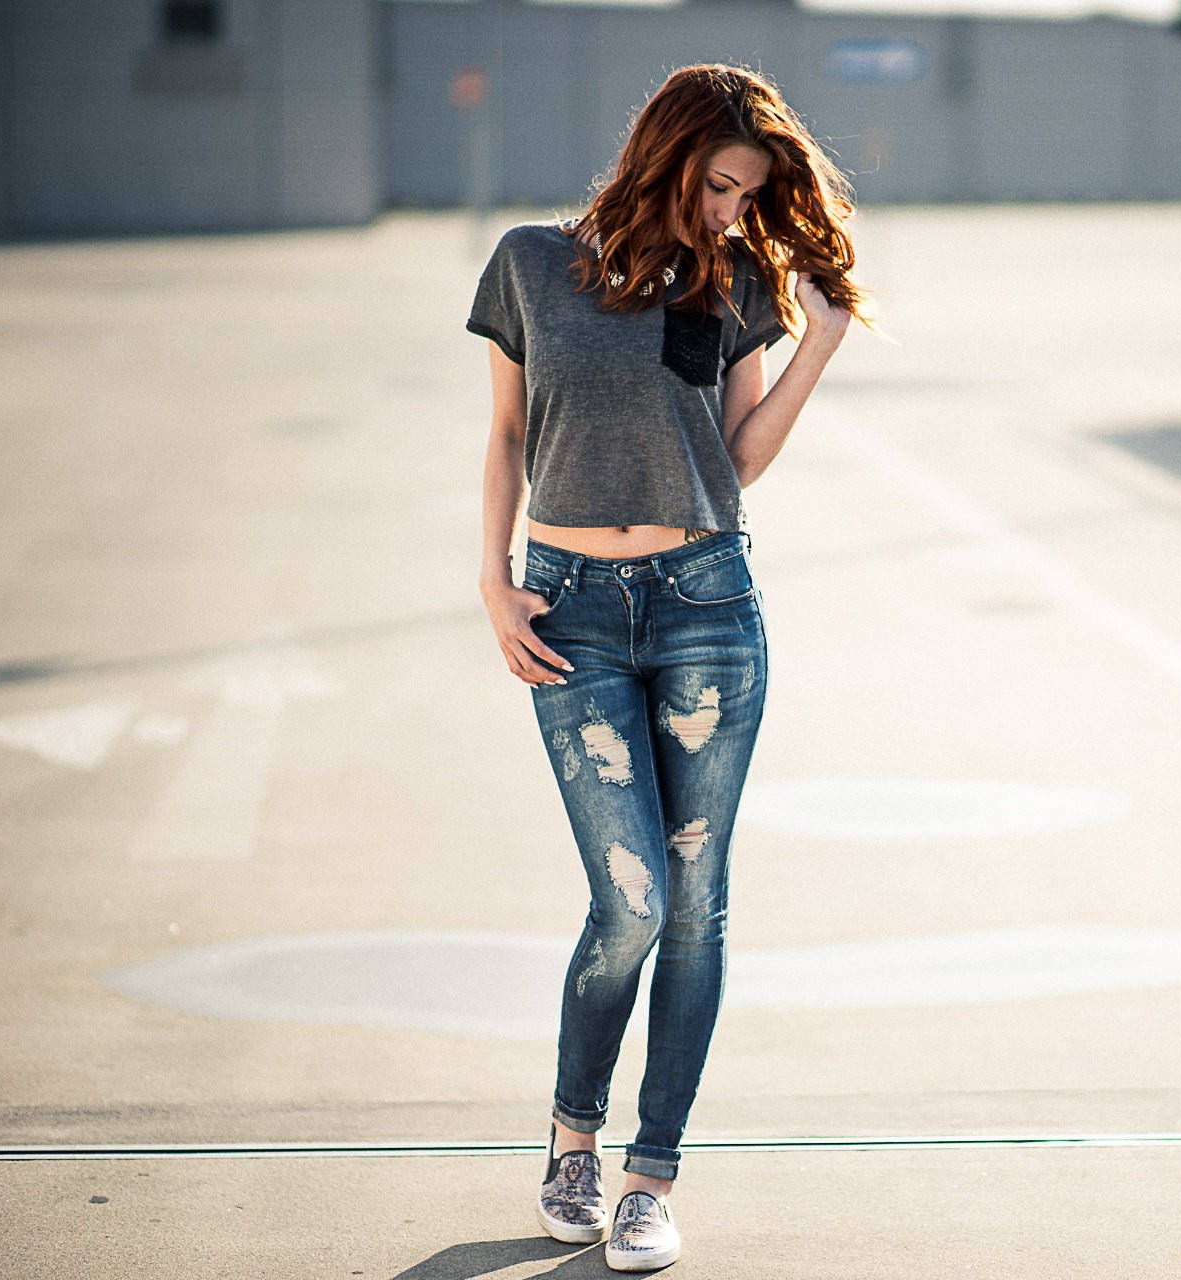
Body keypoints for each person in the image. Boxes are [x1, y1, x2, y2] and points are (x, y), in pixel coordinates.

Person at [466, 63, 872, 1272]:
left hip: (706, 604)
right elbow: (501, 434)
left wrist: (821, 342)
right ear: (665, 154)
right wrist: (492, 579)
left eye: (747, 194)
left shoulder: (736, 278)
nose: (729, 212)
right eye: (716, 185)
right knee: (631, 896)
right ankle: (571, 1143)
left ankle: (650, 1175)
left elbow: (735, 460)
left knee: (695, 901)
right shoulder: (533, 263)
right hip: (572, 610)